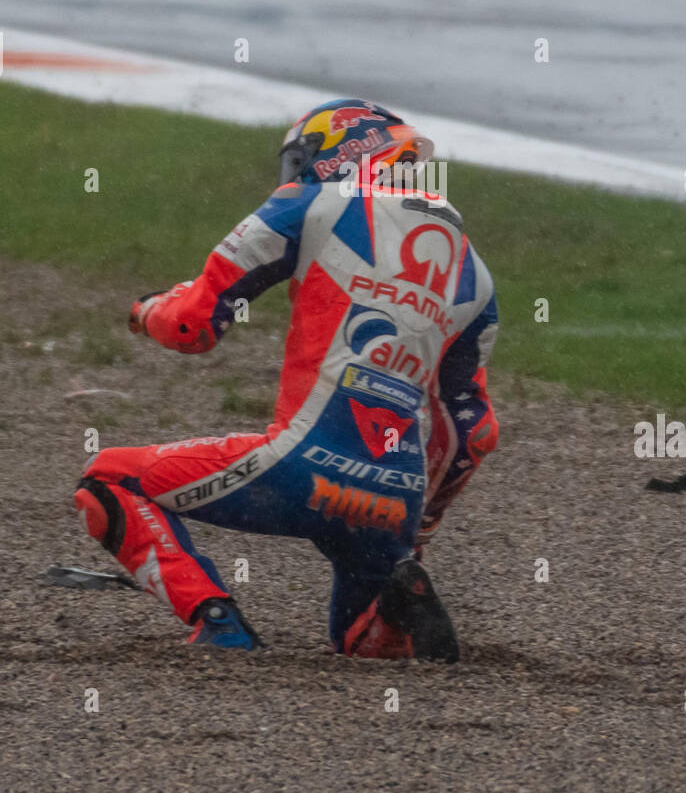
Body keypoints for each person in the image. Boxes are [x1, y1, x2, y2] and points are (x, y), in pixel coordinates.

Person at [74, 100, 499, 662]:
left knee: (107, 481)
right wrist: (415, 529)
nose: (295, 174)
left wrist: (146, 308)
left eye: (302, 159)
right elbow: (474, 434)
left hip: (299, 466)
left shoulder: (312, 201)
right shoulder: (477, 276)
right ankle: (393, 611)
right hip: (394, 498)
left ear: (342, 149)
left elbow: (191, 326)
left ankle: (217, 621)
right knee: (357, 642)